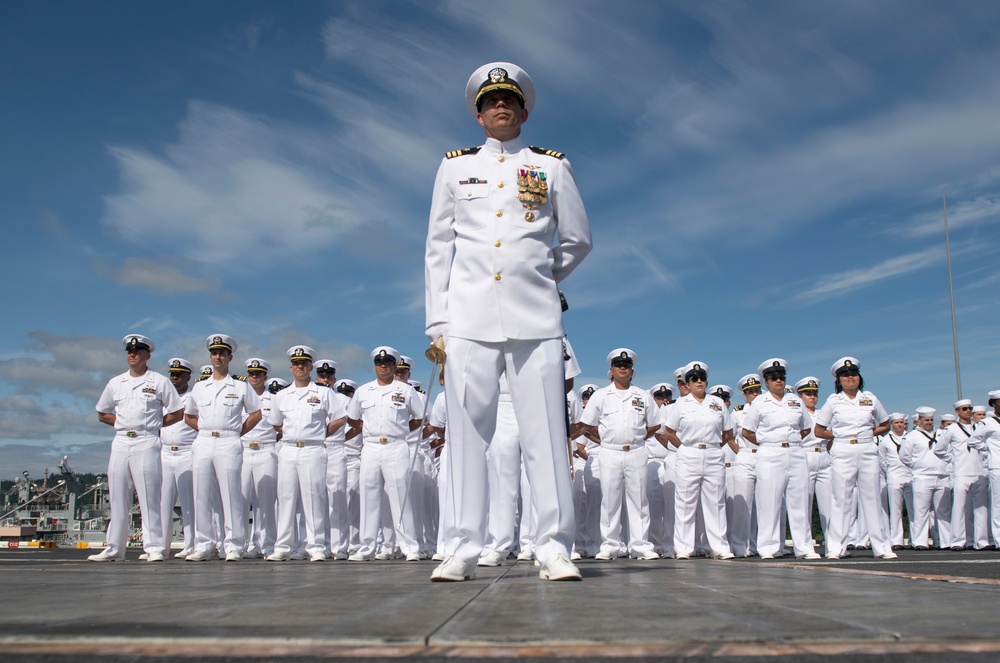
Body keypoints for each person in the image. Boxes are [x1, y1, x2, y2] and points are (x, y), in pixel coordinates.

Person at [424, 62, 592, 582]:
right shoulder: (454, 168)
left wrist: (542, 275)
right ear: (478, 116)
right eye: (490, 101)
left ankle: (552, 547)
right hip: (469, 318)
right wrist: (439, 323)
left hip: (536, 318)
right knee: (467, 436)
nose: (501, 107)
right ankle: (462, 547)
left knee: (544, 432)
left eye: (509, 100)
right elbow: (437, 248)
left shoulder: (551, 166)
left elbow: (577, 239)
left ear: (524, 110)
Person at [91, 335, 182, 562]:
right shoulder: (116, 383)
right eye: (130, 352)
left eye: (138, 351)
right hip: (121, 440)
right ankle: (114, 549)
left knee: (149, 497)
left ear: (147, 355)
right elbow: (102, 413)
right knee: (118, 497)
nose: (132, 355)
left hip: (146, 440)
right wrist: (122, 424)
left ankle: (153, 548)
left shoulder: (159, 381)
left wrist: (155, 425)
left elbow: (177, 412)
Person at [184, 334, 261, 562]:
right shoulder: (199, 387)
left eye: (222, 353)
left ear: (230, 357)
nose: (218, 357)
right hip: (204, 440)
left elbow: (256, 414)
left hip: (229, 440)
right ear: (210, 356)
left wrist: (238, 431)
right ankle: (204, 544)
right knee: (201, 493)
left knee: (231, 494)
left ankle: (234, 545)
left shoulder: (240, 385)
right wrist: (205, 430)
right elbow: (189, 416)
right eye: (214, 353)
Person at [265, 346, 346, 562]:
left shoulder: (323, 392)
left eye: (304, 363)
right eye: (296, 363)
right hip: (289, 449)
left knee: (314, 497)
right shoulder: (281, 396)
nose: (300, 366)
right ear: (291, 367)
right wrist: (290, 435)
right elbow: (275, 423)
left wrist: (320, 433)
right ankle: (283, 546)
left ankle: (316, 545)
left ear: (311, 366)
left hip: (313, 449)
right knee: (286, 498)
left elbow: (339, 418)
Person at [581, 349, 661, 560]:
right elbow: (587, 426)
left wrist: (641, 437)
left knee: (639, 500)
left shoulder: (642, 395)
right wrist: (604, 441)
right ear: (611, 371)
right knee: (610, 500)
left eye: (626, 365)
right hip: (609, 453)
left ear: (632, 371)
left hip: (636, 451)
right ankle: (610, 545)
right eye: (618, 365)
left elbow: (655, 424)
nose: (622, 368)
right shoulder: (600, 395)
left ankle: (641, 545)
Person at [813, 357, 896, 559]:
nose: (850, 378)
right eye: (845, 376)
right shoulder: (833, 401)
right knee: (841, 499)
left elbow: (885, 424)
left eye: (853, 374)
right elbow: (819, 430)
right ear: (839, 380)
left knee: (872, 498)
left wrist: (870, 433)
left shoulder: (870, 399)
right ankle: (836, 547)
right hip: (843, 450)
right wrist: (840, 436)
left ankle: (882, 547)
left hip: (867, 449)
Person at [347, 347, 423, 562]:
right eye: (380, 363)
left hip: (396, 445)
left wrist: (401, 430)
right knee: (369, 497)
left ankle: (410, 547)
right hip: (370, 446)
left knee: (401, 497)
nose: (383, 366)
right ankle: (367, 547)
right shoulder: (363, 391)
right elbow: (352, 418)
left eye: (388, 363)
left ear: (394, 366)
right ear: (375, 366)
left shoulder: (406, 391)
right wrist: (367, 429)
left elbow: (418, 417)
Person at [741, 359, 818, 559]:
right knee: (769, 502)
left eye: (781, 377)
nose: (778, 381)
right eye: (773, 378)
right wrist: (766, 442)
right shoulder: (759, 402)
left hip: (795, 452)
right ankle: (768, 547)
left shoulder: (795, 401)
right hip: (770, 453)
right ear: (766, 382)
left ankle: (804, 547)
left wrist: (791, 441)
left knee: (800, 501)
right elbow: (746, 431)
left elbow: (806, 427)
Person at [660, 361, 737, 560]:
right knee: (685, 502)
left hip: (713, 452)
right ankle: (684, 547)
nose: (699, 381)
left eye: (702, 378)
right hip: (688, 453)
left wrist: (715, 447)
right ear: (688, 383)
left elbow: (728, 431)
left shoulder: (717, 403)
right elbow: (669, 431)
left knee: (716, 502)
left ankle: (719, 547)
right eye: (694, 379)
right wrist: (684, 447)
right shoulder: (680, 405)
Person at [937, 399, 990, 550]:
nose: (968, 411)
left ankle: (981, 541)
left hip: (978, 471)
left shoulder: (979, 427)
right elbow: (939, 449)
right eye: (964, 408)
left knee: (981, 508)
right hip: (961, 472)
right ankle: (957, 541)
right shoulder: (951, 429)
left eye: (969, 408)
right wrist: (952, 459)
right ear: (957, 412)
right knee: (959, 508)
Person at [160, 357, 198, 559]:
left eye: (179, 375)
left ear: (188, 376)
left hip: (187, 451)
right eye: (172, 374)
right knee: (162, 502)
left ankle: (191, 545)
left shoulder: (193, 397)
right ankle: (160, 546)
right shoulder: (164, 398)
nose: (175, 378)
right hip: (165, 451)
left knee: (188, 503)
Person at [240, 358, 278, 559]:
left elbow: (281, 426)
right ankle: (239, 544)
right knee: (241, 499)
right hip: (244, 450)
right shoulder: (239, 396)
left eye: (258, 374)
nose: (254, 377)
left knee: (265, 501)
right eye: (251, 373)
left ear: (265, 376)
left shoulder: (274, 400)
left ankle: (266, 544)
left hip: (265, 450)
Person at [899, 407, 952, 549]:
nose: (929, 422)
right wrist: (917, 466)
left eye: (931, 420)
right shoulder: (911, 436)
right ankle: (920, 542)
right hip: (922, 477)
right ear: (919, 421)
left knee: (943, 512)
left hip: (942, 476)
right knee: (921, 511)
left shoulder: (941, 434)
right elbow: (904, 456)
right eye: (926, 420)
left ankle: (944, 541)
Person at [797, 376, 833, 552]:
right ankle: (805, 544)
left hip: (823, 455)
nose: (812, 397)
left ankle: (833, 544)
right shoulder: (797, 413)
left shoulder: (822, 414)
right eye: (808, 394)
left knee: (829, 505)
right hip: (806, 455)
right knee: (805, 504)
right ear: (800, 396)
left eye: (814, 393)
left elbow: (830, 436)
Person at [728, 374, 761, 557]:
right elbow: (728, 435)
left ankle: (759, 544)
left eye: (756, 390)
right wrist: (739, 450)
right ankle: (740, 545)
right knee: (744, 504)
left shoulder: (766, 408)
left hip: (766, 456)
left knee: (765, 504)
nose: (754, 394)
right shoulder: (738, 412)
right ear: (744, 395)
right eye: (750, 392)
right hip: (747, 455)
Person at [968, 390, 1000, 548]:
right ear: (994, 404)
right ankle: (999, 539)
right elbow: (973, 441)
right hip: (997, 466)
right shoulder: (988, 422)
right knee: (998, 504)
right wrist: (988, 448)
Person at [877, 413, 912, 550]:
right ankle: (896, 540)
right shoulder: (885, 440)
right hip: (894, 476)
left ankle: (915, 540)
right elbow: (882, 460)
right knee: (895, 510)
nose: (900, 425)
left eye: (902, 422)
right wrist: (889, 472)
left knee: (913, 510)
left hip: (909, 475)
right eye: (897, 422)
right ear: (891, 424)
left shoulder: (909, 437)